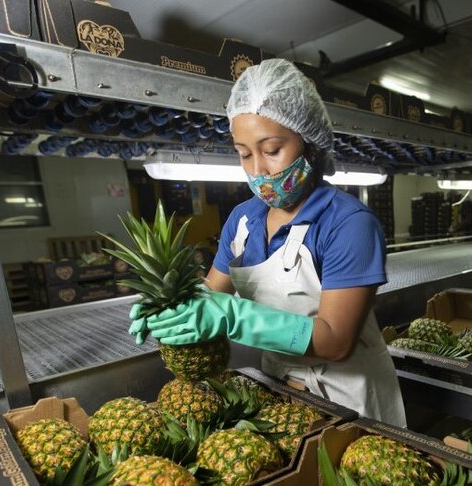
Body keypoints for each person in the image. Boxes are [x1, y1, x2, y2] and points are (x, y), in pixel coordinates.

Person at [138, 58, 407, 427]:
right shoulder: (242, 222)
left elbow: (335, 342)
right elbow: (210, 294)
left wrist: (232, 315)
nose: (257, 171)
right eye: (244, 153)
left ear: (308, 143)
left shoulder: (349, 224)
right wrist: (167, 308)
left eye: (272, 149)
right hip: (280, 395)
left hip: (353, 403)